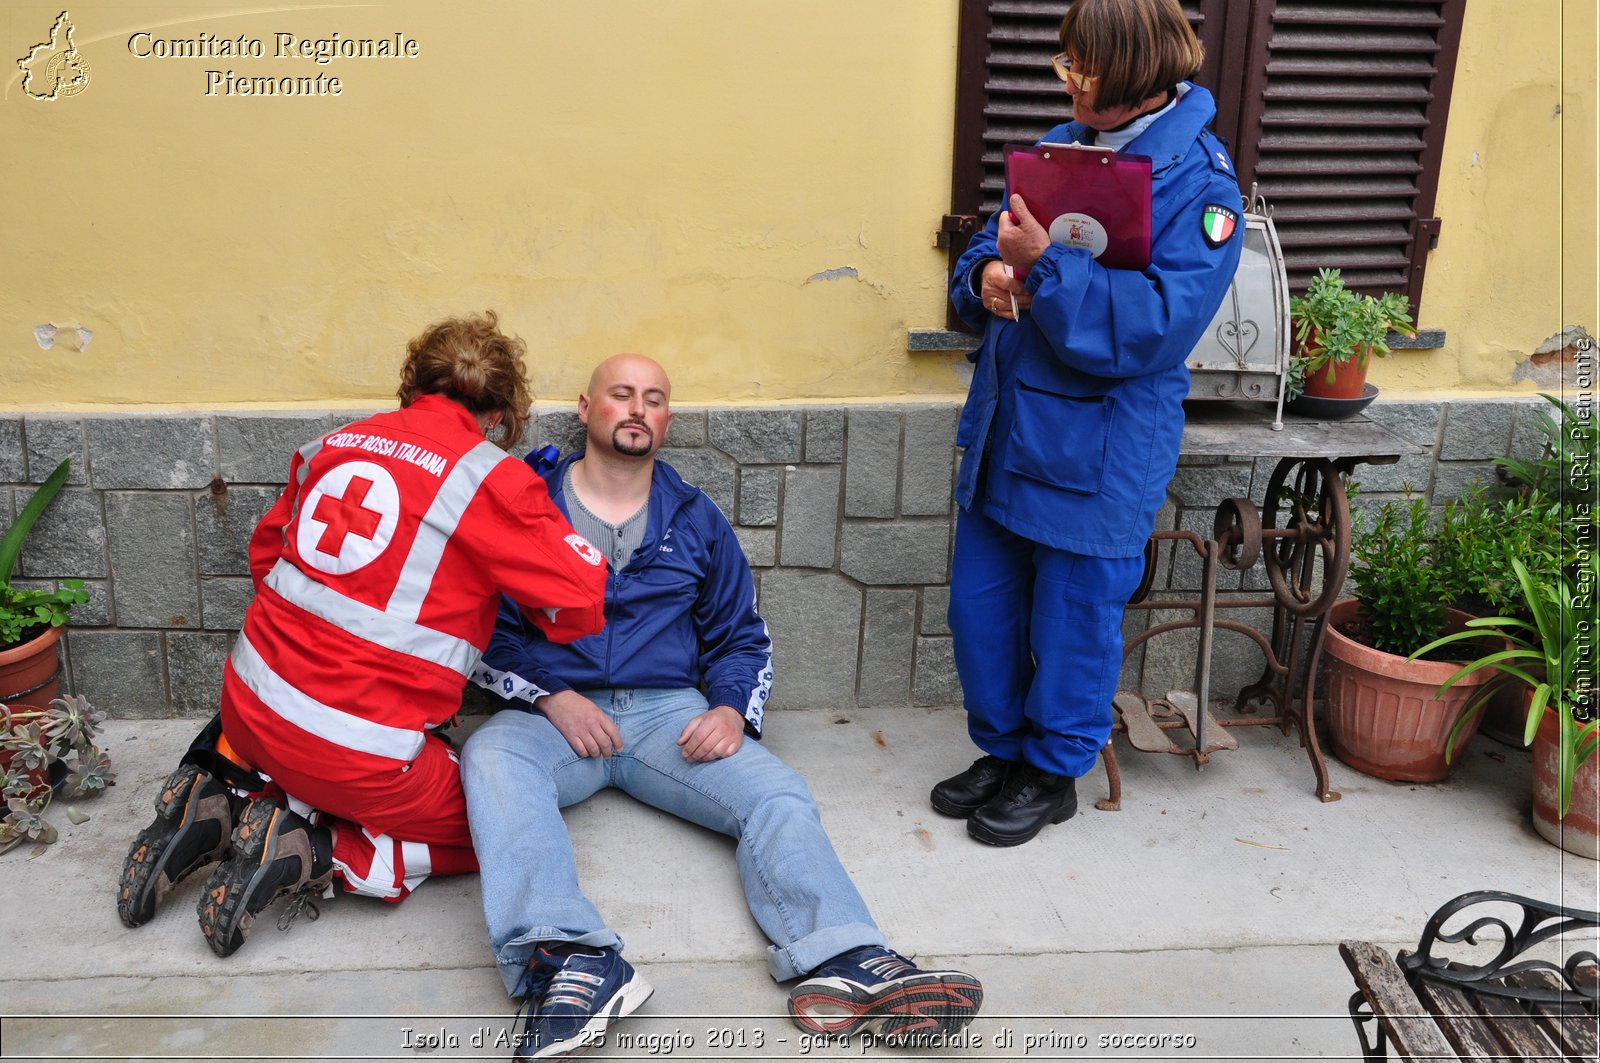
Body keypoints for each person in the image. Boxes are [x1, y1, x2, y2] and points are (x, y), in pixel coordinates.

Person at [462, 354, 983, 1060]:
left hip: (666, 715)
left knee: (776, 792)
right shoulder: (528, 506)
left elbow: (742, 635)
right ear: (586, 409)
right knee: (490, 757)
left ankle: (848, 960)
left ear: (667, 420)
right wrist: (553, 697)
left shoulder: (695, 516)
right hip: (557, 713)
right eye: (622, 394)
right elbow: (481, 628)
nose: (638, 408)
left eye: (654, 398)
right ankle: (569, 959)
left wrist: (732, 710)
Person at [116, 311, 609, 956]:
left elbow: (267, 557)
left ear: (416, 382)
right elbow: (581, 599)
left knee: (321, 750)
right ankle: (316, 851)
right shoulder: (491, 479)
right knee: (502, 823)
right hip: (357, 754)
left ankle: (219, 800)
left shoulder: (334, 445)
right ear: (500, 411)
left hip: (245, 710)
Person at [935, 0, 1245, 847]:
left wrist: (1046, 269)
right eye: (1065, 65)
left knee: (1072, 621)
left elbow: (1157, 323)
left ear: (1141, 74)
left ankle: (1053, 770)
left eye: (1085, 70)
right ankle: (1001, 751)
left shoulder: (1203, 184)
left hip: (1102, 445)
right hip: (1007, 425)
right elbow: (991, 246)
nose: (1069, 83)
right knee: (981, 608)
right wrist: (987, 276)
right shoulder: (1059, 142)